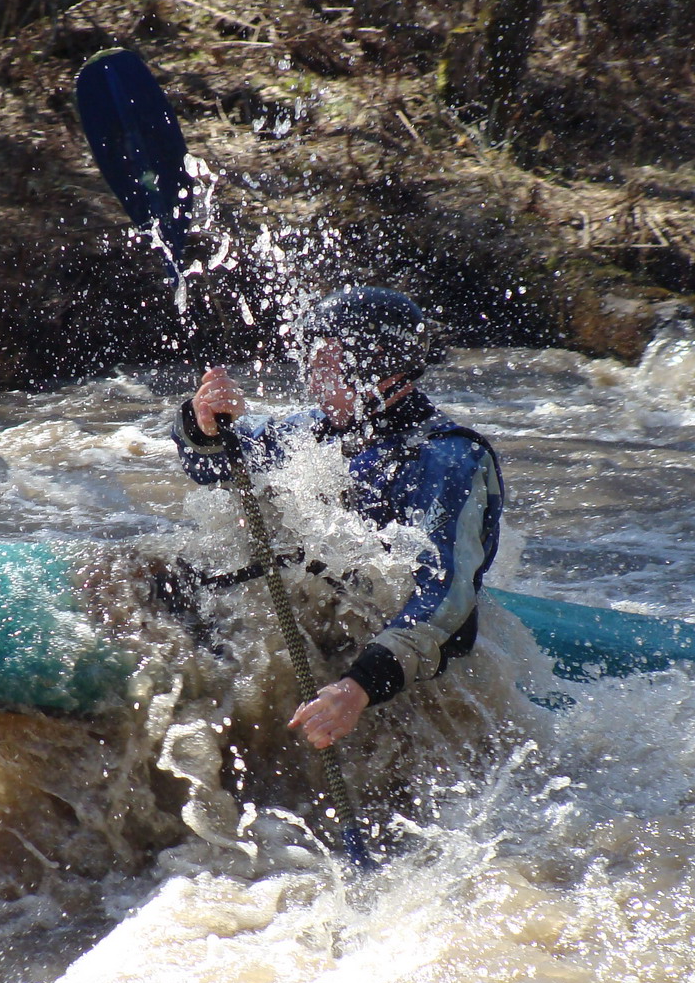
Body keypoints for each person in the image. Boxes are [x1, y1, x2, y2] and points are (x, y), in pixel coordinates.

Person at [171, 285, 505, 754]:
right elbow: (213, 464)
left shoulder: (446, 460)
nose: (311, 380)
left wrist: (358, 687)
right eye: (310, 362)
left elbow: (446, 597)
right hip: (328, 629)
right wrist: (204, 421)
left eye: (325, 365)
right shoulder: (314, 430)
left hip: (405, 671)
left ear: (381, 369)